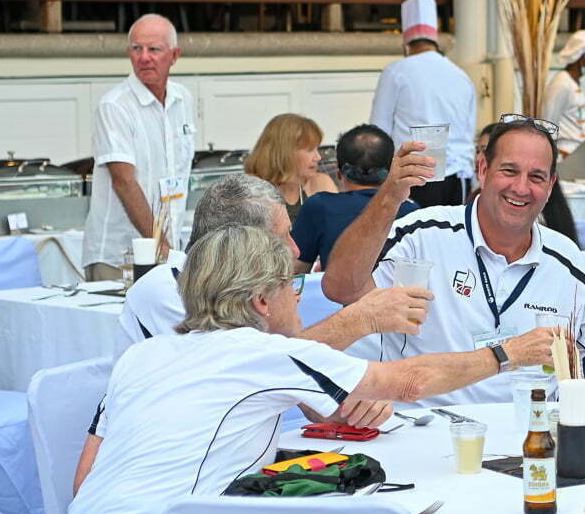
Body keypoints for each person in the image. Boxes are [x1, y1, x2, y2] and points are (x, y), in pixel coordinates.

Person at [55, 225, 555, 514]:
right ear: (261, 301)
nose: (298, 296)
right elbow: (408, 384)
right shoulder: (263, 353)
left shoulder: (143, 355)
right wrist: (508, 353)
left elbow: (92, 474)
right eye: (291, 284)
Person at [324, 115, 585, 405]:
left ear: (551, 185)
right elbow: (341, 289)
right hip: (428, 424)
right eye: (509, 171)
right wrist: (390, 196)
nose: (521, 188)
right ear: (483, 169)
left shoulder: (567, 261)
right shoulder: (422, 235)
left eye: (536, 177)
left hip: (529, 427)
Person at [113, 173, 426, 360]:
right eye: (281, 238)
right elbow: (252, 366)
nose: (295, 250)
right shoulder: (167, 288)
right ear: (238, 242)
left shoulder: (234, 288)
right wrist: (359, 319)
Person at [81, 14, 195, 281]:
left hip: (168, 250)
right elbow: (124, 182)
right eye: (136, 49)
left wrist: (170, 249)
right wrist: (161, 245)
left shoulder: (183, 99)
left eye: (154, 49)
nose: (144, 57)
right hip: (119, 256)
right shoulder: (115, 106)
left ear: (174, 55)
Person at [369, 0, 477, 208]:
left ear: (405, 43)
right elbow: (469, 132)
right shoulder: (461, 76)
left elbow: (377, 132)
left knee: (413, 229)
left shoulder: (396, 72)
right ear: (435, 39)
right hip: (458, 179)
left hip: (413, 176)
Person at [292, 123, 419, 272]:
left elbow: (296, 270)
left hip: (338, 287)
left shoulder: (319, 206)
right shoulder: (412, 211)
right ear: (391, 171)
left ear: (339, 172)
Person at [243, 113, 336, 225]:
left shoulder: (321, 182)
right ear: (285, 152)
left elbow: (339, 229)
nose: (318, 157)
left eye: (317, 149)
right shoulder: (252, 190)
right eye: (310, 150)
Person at [540, 30, 585, 158]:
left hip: (579, 154)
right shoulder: (561, 84)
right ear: (582, 57)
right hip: (566, 156)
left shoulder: (574, 83)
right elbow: (547, 123)